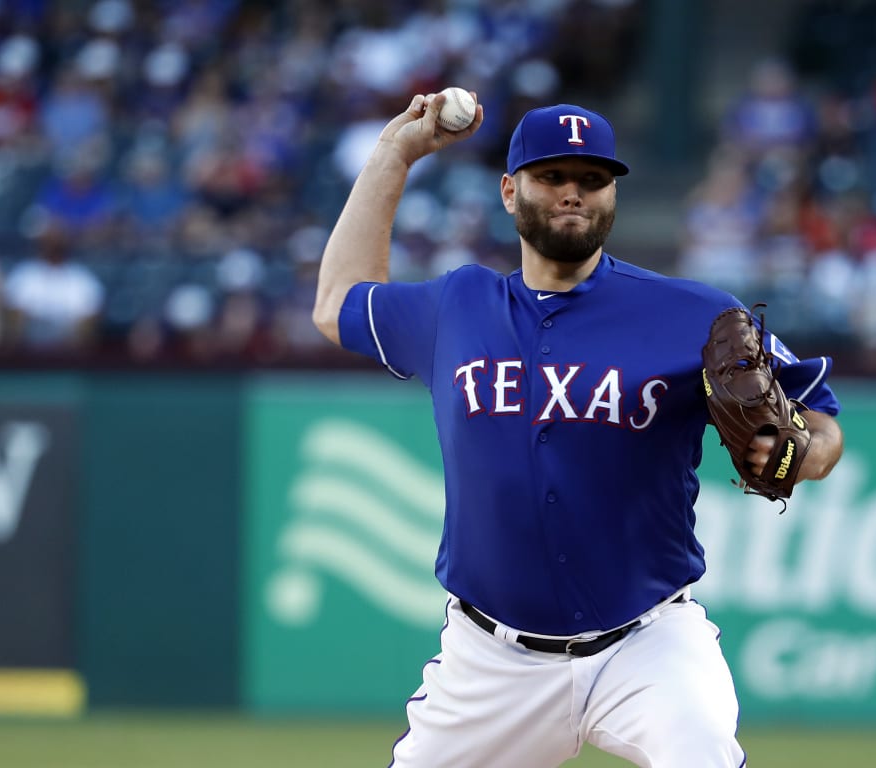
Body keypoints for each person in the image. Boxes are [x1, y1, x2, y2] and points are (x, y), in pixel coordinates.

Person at [310, 93, 845, 767]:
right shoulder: (456, 306)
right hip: (490, 661)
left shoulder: (695, 313)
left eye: (592, 179)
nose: (573, 193)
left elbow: (820, 421)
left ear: (612, 196)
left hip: (648, 645)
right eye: (552, 176)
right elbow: (336, 304)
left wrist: (800, 452)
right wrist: (393, 155)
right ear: (510, 192)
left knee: (704, 752)